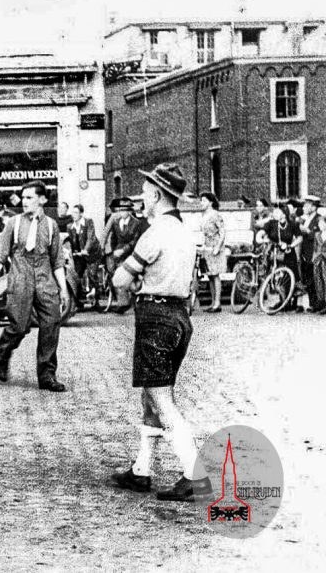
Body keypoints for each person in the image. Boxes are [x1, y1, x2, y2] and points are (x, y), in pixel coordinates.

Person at [108, 163, 212, 501]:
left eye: (145, 191)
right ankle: (142, 471)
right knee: (152, 396)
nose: (141, 196)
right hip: (180, 316)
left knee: (160, 399)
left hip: (155, 317)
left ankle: (195, 474)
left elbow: (120, 280)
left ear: (156, 194)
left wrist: (135, 277)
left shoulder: (154, 232)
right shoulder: (185, 231)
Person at [0, 181, 70, 392]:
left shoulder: (51, 225)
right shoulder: (13, 223)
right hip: (20, 280)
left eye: (29, 197)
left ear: (42, 200)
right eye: (23, 198)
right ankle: (3, 353)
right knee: (19, 327)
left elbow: (57, 261)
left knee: (51, 324)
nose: (24, 202)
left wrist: (63, 289)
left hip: (45, 281)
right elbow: (0, 255)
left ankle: (47, 376)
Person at [103, 197, 143, 313]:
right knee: (115, 273)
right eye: (121, 210)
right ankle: (123, 302)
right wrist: (115, 250)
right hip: (118, 252)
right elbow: (114, 238)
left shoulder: (136, 223)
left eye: (125, 210)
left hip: (131, 252)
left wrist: (123, 250)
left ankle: (128, 302)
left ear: (130, 211)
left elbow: (135, 241)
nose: (122, 212)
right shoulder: (116, 221)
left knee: (127, 274)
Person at [67, 204, 100, 309]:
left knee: (92, 274)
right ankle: (78, 299)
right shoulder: (70, 227)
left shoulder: (88, 222)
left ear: (81, 213)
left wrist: (85, 250)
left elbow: (91, 238)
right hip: (79, 255)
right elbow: (72, 242)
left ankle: (96, 300)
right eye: (73, 213)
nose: (74, 215)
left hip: (92, 253)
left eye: (76, 212)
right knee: (75, 274)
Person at [198, 192, 226, 313]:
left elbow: (223, 231)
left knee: (215, 275)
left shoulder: (215, 215)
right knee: (210, 275)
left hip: (215, 247)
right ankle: (213, 302)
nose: (201, 203)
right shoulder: (203, 216)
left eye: (204, 201)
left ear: (210, 202)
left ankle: (217, 303)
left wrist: (218, 247)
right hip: (207, 247)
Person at [297, 195, 323, 312]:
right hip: (305, 252)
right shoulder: (305, 218)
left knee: (316, 277)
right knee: (308, 278)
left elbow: (318, 236)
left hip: (314, 252)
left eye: (306, 205)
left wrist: (306, 231)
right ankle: (313, 303)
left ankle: (320, 302)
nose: (304, 207)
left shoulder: (319, 219)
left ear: (313, 207)